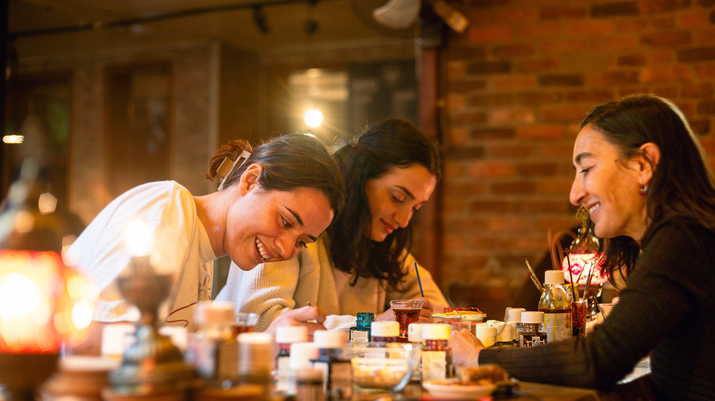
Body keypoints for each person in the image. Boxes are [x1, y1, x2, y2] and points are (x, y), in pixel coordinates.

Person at [450, 94, 715, 401]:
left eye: (586, 169)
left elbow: (597, 361)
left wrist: (480, 358)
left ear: (643, 165)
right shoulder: (704, 233)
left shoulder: (684, 238)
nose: (574, 194)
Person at [69, 134, 344, 338]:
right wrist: (261, 344)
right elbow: (104, 343)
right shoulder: (165, 211)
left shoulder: (202, 252)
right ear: (250, 181)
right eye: (285, 221)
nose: (285, 249)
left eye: (301, 242)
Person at [216, 118, 448, 332]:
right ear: (361, 177)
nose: (404, 220)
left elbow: (437, 307)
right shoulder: (293, 232)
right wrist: (372, 325)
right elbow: (263, 321)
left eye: (416, 208)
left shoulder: (383, 248)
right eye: (398, 198)